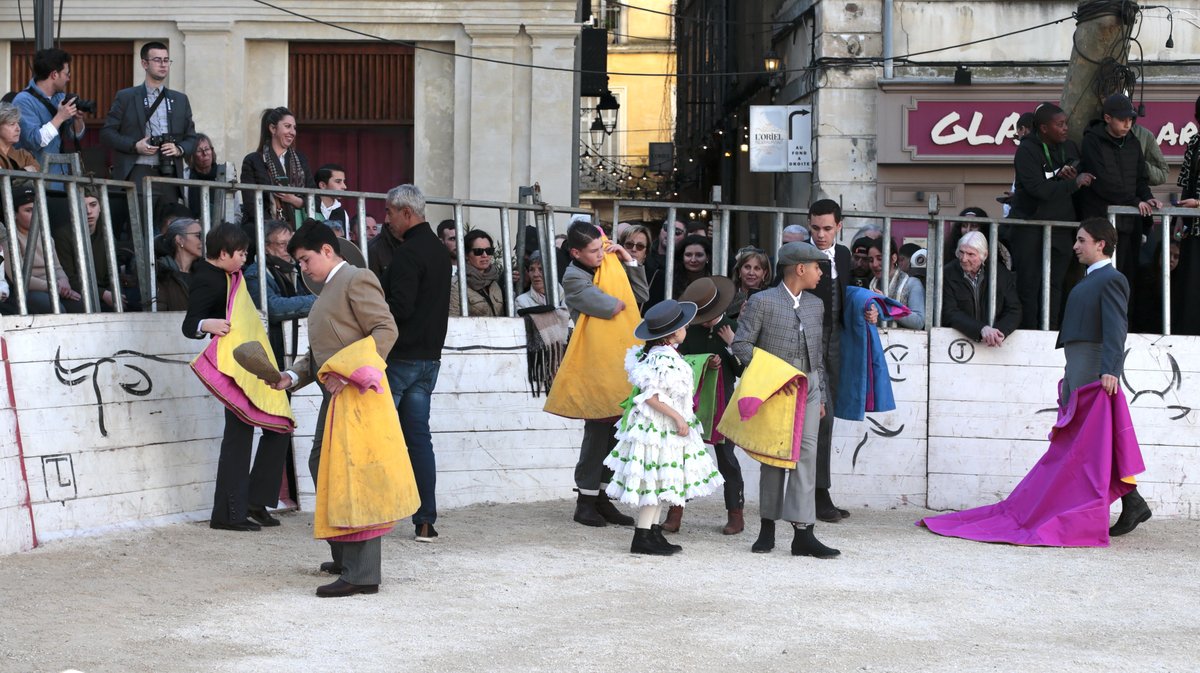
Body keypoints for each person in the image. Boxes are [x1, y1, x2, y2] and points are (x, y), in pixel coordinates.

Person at [275, 221, 401, 596]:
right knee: (324, 465)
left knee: (353, 475)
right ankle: (347, 554)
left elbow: (385, 329)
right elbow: (320, 353)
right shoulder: (332, 288)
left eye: (305, 259)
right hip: (339, 393)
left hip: (357, 392)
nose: (302, 268)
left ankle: (362, 573)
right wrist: (291, 377)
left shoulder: (356, 278)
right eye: (298, 262)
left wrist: (351, 374)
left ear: (328, 251)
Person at [731, 241, 840, 558]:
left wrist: (818, 393)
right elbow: (741, 346)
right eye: (817, 267)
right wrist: (772, 375)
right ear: (801, 269)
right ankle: (767, 527)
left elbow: (816, 353)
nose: (821, 273)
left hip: (809, 389)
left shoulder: (815, 305)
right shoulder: (762, 302)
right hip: (774, 390)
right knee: (774, 458)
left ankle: (803, 533)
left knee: (806, 458)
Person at [182, 222, 292, 533]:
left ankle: (254, 502)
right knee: (240, 437)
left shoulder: (231, 274)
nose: (245, 258)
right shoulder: (206, 278)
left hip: (247, 363)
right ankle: (229, 513)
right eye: (241, 253)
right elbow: (189, 324)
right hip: (233, 368)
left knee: (279, 426)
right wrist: (209, 324)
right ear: (224, 253)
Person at [605, 299, 724, 555]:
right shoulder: (662, 359)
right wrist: (678, 418)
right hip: (658, 428)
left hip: (662, 427)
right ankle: (643, 536)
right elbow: (650, 396)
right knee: (655, 482)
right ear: (672, 333)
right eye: (683, 325)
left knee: (661, 481)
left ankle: (652, 532)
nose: (687, 328)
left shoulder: (661, 354)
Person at [1059, 218, 1149, 535]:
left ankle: (1127, 501)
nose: (1075, 246)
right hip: (1080, 363)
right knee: (1091, 439)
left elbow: (1115, 327)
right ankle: (1132, 500)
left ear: (1100, 244)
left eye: (1081, 240)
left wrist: (1111, 369)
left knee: (1091, 439)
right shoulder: (1092, 278)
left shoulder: (1111, 278)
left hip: (1093, 364)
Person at [555, 220, 648, 527]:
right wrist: (614, 272)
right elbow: (615, 305)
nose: (600, 255)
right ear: (575, 252)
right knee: (596, 433)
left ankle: (602, 498)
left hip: (617, 361)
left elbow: (641, 296)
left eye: (601, 248)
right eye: (593, 251)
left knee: (615, 433)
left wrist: (628, 260)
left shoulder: (610, 265)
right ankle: (585, 500)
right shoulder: (572, 276)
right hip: (594, 363)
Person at [380, 184, 452, 543]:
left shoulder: (408, 254)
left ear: (406, 213)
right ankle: (426, 520)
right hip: (429, 360)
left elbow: (400, 308)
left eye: (390, 212)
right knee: (419, 440)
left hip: (401, 359)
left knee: (375, 435)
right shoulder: (440, 252)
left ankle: (371, 514)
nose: (387, 219)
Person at [1007, 102, 1092, 330]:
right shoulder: (1026, 151)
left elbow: (1077, 168)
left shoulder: (1070, 147)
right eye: (1060, 124)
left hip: (1061, 229)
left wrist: (1070, 175)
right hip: (1030, 227)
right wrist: (1071, 183)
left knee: (1055, 285)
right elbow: (1038, 189)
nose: (1065, 128)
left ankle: (1050, 333)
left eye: (1066, 123)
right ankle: (1029, 333)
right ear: (1044, 128)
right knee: (1029, 285)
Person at [671, 276, 744, 535]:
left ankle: (735, 513)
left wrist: (732, 344)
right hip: (692, 403)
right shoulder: (689, 332)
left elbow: (741, 369)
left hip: (723, 403)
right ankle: (675, 510)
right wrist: (704, 361)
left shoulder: (734, 327)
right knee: (682, 456)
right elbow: (679, 362)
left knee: (727, 459)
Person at [100, 41, 196, 222]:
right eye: (157, 60)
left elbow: (192, 137)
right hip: (138, 169)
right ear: (145, 64)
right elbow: (107, 134)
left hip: (169, 171)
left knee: (171, 226)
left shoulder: (180, 100)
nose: (163, 64)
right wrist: (134, 146)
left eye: (166, 60)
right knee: (140, 225)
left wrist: (178, 149)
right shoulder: (126, 96)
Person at [1078, 93, 1163, 297]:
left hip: (1129, 224)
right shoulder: (1092, 141)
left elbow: (1140, 178)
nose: (1128, 124)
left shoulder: (1132, 142)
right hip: (1101, 224)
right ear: (1108, 118)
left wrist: (1147, 197)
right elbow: (1102, 182)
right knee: (1101, 279)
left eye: (1131, 119)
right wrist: (1135, 201)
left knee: (1128, 278)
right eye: (1123, 119)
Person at [808, 198, 856, 521]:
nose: (821, 235)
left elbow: (847, 292)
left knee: (830, 415)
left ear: (839, 226)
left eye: (827, 228)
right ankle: (817, 494)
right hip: (810, 341)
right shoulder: (800, 255)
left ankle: (818, 492)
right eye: (815, 228)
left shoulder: (843, 255)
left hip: (837, 340)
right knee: (821, 418)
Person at [243, 219, 316, 367]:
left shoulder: (298, 269)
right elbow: (272, 308)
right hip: (272, 352)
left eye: (291, 244)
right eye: (282, 244)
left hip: (298, 348)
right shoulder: (256, 273)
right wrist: (317, 300)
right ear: (266, 247)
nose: (288, 249)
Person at [2, 185, 84, 314]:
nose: (35, 214)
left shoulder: (46, 237)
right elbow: (19, 278)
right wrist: (54, 287)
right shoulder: (10, 240)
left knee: (83, 307)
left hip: (53, 287)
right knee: (57, 310)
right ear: (14, 214)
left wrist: (64, 281)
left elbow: (57, 267)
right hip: (28, 292)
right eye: (28, 210)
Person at [942, 231, 1022, 347]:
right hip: (957, 341)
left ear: (984, 255)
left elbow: (1014, 309)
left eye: (970, 254)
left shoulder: (1000, 274)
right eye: (961, 252)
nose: (964, 259)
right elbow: (949, 312)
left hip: (995, 345)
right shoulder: (947, 273)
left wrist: (999, 332)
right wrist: (981, 329)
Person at [13, 48, 86, 172]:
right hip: (36, 179)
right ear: (54, 75)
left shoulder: (60, 97)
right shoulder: (23, 101)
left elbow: (72, 135)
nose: (68, 78)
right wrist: (60, 117)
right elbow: (34, 140)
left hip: (60, 175)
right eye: (66, 74)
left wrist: (78, 120)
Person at [241, 107, 313, 227]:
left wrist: (293, 199)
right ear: (273, 128)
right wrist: (276, 228)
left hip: (299, 226)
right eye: (287, 126)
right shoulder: (253, 160)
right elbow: (251, 204)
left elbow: (315, 199)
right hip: (264, 227)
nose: (293, 132)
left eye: (294, 128)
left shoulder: (301, 159)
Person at [1172, 93, 1200, 336]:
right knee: (1190, 287)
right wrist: (1181, 215)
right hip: (1193, 229)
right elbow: (1185, 183)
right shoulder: (1195, 142)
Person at [866, 237, 925, 330]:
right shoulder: (870, 286)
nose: (874, 264)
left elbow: (918, 322)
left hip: (904, 343)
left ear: (894, 258)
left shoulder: (912, 284)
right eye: (870, 260)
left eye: (880, 258)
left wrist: (886, 306)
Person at [449, 229, 505, 316]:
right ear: (466, 255)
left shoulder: (494, 283)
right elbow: (454, 321)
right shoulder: (456, 286)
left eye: (489, 251)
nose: (485, 255)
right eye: (478, 251)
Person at [154, 217, 203, 311]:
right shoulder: (161, 273)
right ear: (180, 239)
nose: (202, 241)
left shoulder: (204, 273)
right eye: (198, 236)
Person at [183, 133, 221, 221]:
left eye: (207, 149)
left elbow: (235, 212)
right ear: (191, 156)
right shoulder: (184, 177)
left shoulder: (224, 174)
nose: (205, 154)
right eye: (199, 151)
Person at [727, 247, 771, 319]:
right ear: (739, 271)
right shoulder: (727, 297)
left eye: (757, 268)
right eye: (747, 267)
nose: (751, 273)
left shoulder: (771, 298)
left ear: (764, 273)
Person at [0, 101, 39, 171]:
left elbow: (37, 171)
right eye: (12, 124)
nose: (18, 128)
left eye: (18, 123)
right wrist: (25, 171)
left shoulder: (24, 156)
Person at [314, 164, 350, 231]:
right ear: (322, 185)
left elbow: (344, 241)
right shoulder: (309, 207)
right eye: (338, 181)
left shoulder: (342, 213)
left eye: (343, 181)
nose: (344, 186)